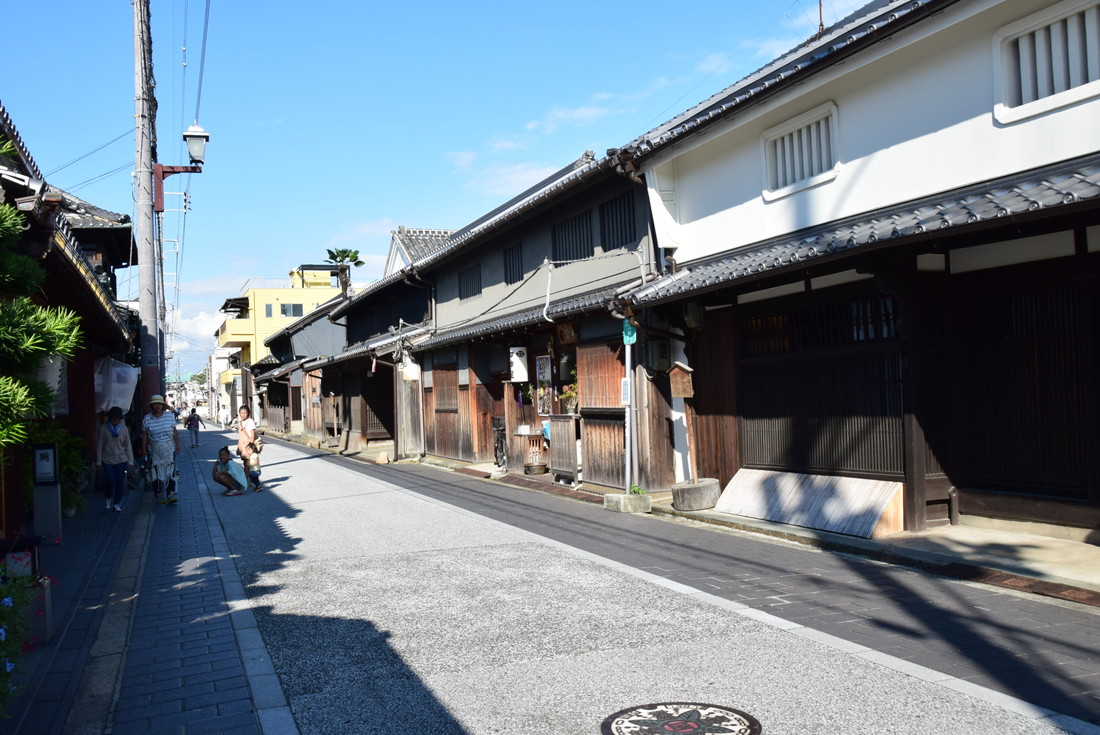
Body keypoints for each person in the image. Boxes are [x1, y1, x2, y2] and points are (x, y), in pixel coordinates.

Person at [142, 394, 182, 504]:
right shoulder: (147, 418)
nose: (157, 406)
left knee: (170, 470)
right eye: (155, 404)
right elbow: (144, 434)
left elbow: (174, 431)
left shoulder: (169, 416)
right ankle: (158, 493)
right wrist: (144, 448)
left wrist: (177, 444)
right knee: (155, 471)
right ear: (152, 406)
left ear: (163, 405)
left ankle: (171, 493)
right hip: (154, 448)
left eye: (159, 404)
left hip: (169, 447)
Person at [96, 406, 134, 512]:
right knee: (111, 480)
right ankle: (108, 496)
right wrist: (98, 461)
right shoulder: (103, 429)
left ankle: (117, 503)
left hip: (121, 459)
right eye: (112, 418)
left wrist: (130, 460)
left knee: (120, 481)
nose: (114, 420)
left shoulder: (124, 429)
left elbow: (128, 445)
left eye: (117, 418)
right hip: (107, 459)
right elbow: (99, 445)